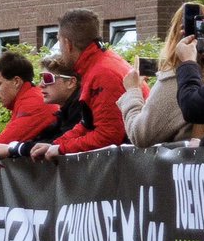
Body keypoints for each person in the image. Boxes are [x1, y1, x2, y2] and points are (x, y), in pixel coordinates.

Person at [28, 9, 136, 161]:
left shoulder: (103, 73)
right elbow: (87, 123)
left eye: (59, 42)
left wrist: (61, 148)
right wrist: (56, 144)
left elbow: (109, 135)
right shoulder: (100, 63)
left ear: (67, 44)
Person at [117, 2, 204, 146]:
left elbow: (140, 135)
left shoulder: (175, 81)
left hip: (186, 159)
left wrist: (132, 91)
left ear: (175, 33)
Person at [4, 57, 92, 157]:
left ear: (71, 82)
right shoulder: (66, 112)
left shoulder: (81, 108)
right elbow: (48, 141)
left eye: (47, 78)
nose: (41, 85)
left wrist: (13, 149)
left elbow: (59, 142)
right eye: (41, 78)